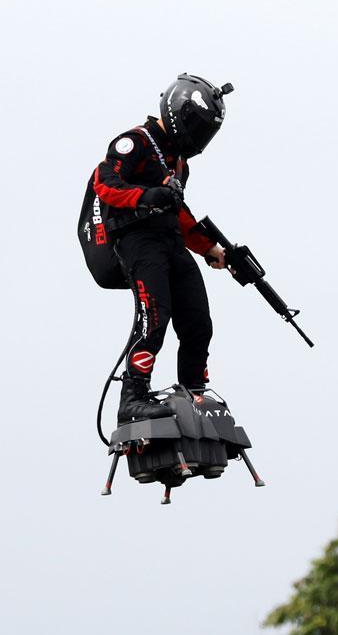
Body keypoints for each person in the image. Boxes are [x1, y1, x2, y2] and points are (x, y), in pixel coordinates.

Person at [89, 74, 231, 424]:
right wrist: (145, 196)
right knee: (155, 316)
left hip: (170, 241)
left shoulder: (180, 164)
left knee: (198, 320)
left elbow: (179, 214)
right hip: (137, 239)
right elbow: (104, 184)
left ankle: (194, 393)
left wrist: (210, 248)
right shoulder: (135, 141)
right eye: (197, 127)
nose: (200, 138)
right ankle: (132, 398)